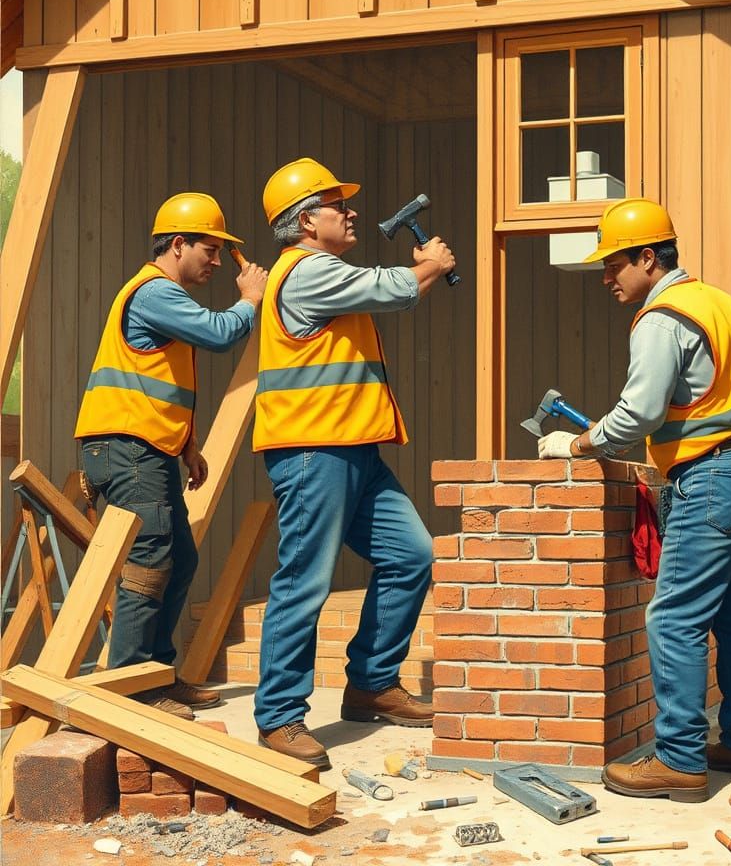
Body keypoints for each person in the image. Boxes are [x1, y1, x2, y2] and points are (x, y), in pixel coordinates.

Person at [538, 197, 731, 804]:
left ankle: (678, 761)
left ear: (649, 257)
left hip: (712, 476)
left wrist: (579, 443)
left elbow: (642, 411)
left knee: (673, 619)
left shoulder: (661, 316)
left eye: (615, 263)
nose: (607, 277)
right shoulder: (723, 304)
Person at [252, 157, 456, 767]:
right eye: (338, 205)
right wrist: (430, 266)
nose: (351, 212)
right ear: (306, 222)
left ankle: (371, 682)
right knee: (305, 581)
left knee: (412, 554)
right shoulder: (306, 271)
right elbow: (388, 288)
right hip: (314, 451)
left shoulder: (322, 268)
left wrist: (422, 273)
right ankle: (279, 716)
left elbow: (387, 290)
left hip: (354, 450)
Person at [75, 193, 268, 719]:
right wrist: (249, 298)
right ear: (177, 244)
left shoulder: (164, 296)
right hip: (128, 450)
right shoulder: (156, 292)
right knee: (149, 563)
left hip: (147, 450)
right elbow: (220, 334)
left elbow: (159, 382)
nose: (213, 260)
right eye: (209, 249)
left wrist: (188, 446)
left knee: (179, 558)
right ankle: (134, 687)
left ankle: (156, 671)